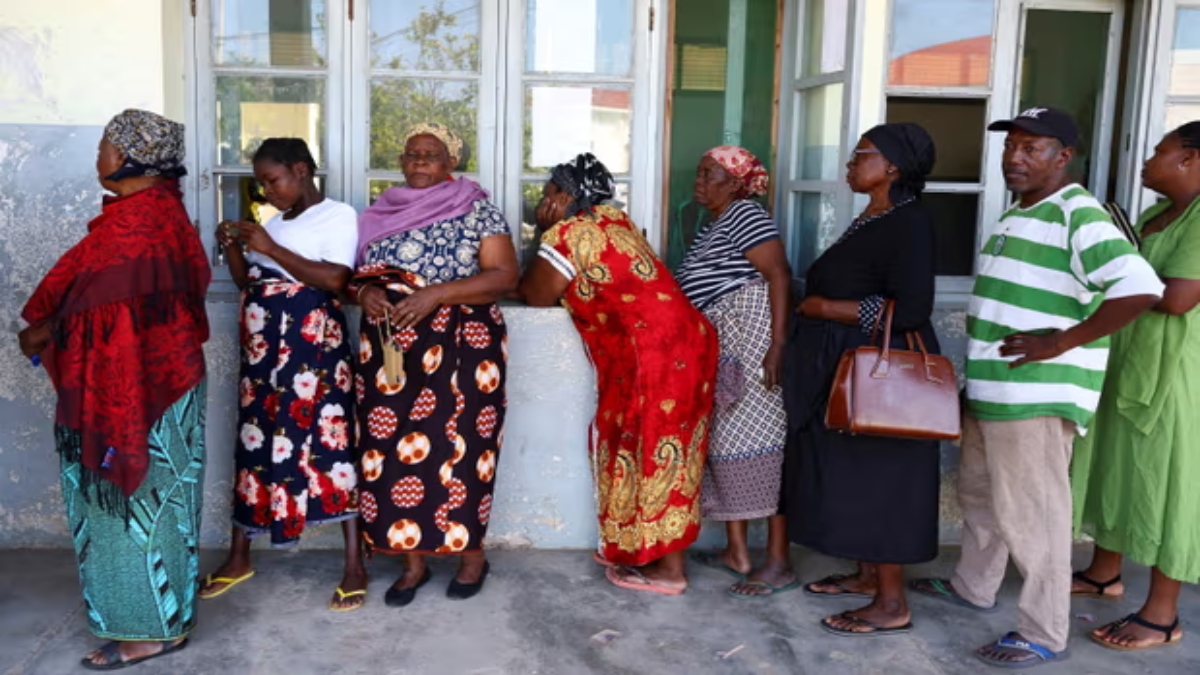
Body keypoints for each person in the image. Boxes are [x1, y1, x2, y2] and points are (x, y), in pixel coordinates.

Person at [910, 107, 1164, 668]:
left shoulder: (1079, 214)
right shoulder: (1017, 214)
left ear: (1063, 157)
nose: (1015, 158)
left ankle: (1044, 631)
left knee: (1035, 515)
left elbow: (1141, 287)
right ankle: (975, 586)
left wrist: (1063, 341)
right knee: (981, 498)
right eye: (1011, 147)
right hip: (994, 388)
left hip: (1036, 393)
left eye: (1032, 148)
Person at [19, 109, 210, 670]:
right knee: (164, 502)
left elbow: (96, 312)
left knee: (131, 508)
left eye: (104, 145)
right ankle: (168, 623)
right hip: (166, 386)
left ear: (133, 156)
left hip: (132, 394)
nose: (97, 156)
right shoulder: (158, 215)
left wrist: (45, 332)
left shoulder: (137, 227)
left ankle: (144, 632)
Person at [518, 153, 719, 595]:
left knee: (650, 451)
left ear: (567, 196)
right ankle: (630, 546)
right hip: (684, 344)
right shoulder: (617, 222)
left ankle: (669, 571)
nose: (543, 198)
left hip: (651, 355)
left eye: (549, 192)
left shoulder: (570, 233)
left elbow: (535, 295)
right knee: (660, 449)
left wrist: (540, 233)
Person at [351, 123, 519, 606]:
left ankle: (471, 558)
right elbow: (350, 277)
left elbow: (505, 275)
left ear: (451, 164)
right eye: (412, 153)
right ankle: (413, 563)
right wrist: (364, 293)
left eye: (432, 154)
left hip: (463, 344)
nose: (420, 161)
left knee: (464, 447)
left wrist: (436, 294)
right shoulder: (379, 211)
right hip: (391, 352)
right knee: (389, 450)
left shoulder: (475, 207)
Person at [199, 138, 366, 611]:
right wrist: (233, 247)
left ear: (300, 169)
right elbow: (247, 282)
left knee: (330, 445)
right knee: (255, 443)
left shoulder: (337, 216)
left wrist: (268, 245)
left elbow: (336, 279)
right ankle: (239, 557)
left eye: (273, 180)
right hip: (262, 355)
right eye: (262, 183)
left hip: (312, 352)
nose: (268, 191)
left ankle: (354, 565)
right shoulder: (276, 222)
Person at [785, 123, 940, 635]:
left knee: (880, 477)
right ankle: (869, 574)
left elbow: (914, 308)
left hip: (881, 370)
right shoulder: (875, 216)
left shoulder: (909, 222)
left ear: (892, 166)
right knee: (855, 472)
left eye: (861, 156)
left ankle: (892, 602)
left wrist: (825, 306)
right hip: (849, 361)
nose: (850, 165)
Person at [1070, 121, 1200, 651]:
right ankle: (1104, 571)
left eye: (1160, 153)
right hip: (1127, 358)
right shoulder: (1152, 216)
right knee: (1115, 467)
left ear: (1191, 160)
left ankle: (1162, 613)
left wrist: (1126, 273)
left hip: (1175, 372)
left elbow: (1177, 299)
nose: (1149, 161)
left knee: (1168, 485)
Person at [673, 145, 795, 596]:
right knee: (725, 445)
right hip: (725, 348)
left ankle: (775, 560)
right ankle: (737, 551)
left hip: (751, 346)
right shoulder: (719, 222)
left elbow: (778, 274)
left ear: (737, 182)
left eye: (709, 174)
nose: (698, 182)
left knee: (758, 445)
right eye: (700, 173)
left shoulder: (746, 215)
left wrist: (777, 345)